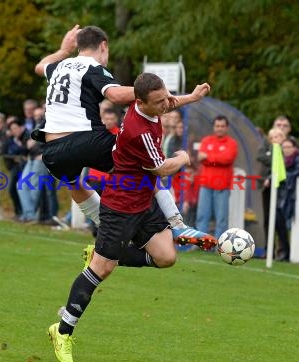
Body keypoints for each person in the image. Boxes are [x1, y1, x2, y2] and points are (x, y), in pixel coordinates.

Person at [47, 72, 210, 362]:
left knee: (166, 257)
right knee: (101, 271)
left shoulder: (150, 106)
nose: (165, 105)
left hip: (143, 202)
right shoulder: (140, 132)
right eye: (159, 102)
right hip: (120, 207)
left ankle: (103, 256)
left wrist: (193, 98)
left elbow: (169, 102)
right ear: (140, 102)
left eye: (165, 97)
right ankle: (62, 330)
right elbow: (161, 170)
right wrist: (185, 157)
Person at [33, 24, 215, 249]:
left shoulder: (60, 66)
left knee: (75, 184)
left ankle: (105, 227)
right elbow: (117, 95)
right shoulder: (92, 66)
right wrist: (168, 95)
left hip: (52, 151)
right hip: (85, 139)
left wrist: (63, 49)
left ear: (78, 46)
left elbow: (40, 67)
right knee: (143, 164)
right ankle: (176, 223)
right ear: (104, 46)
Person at [195, 115, 238, 238]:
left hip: (222, 185)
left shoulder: (232, 143)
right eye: (217, 126)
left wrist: (208, 157)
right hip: (206, 184)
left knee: (221, 218)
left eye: (222, 126)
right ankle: (200, 243)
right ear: (214, 127)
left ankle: (219, 245)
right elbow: (200, 158)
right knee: (202, 216)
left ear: (227, 128)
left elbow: (227, 159)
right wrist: (217, 157)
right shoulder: (206, 140)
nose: (220, 128)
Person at [256, 127, 286, 250]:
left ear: (283, 138)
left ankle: (284, 250)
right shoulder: (270, 149)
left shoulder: (286, 149)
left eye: (277, 137)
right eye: (272, 138)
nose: (274, 140)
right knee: (267, 218)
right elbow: (260, 156)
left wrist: (270, 176)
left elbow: (281, 166)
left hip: (281, 188)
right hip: (266, 186)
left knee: (280, 220)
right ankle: (269, 249)